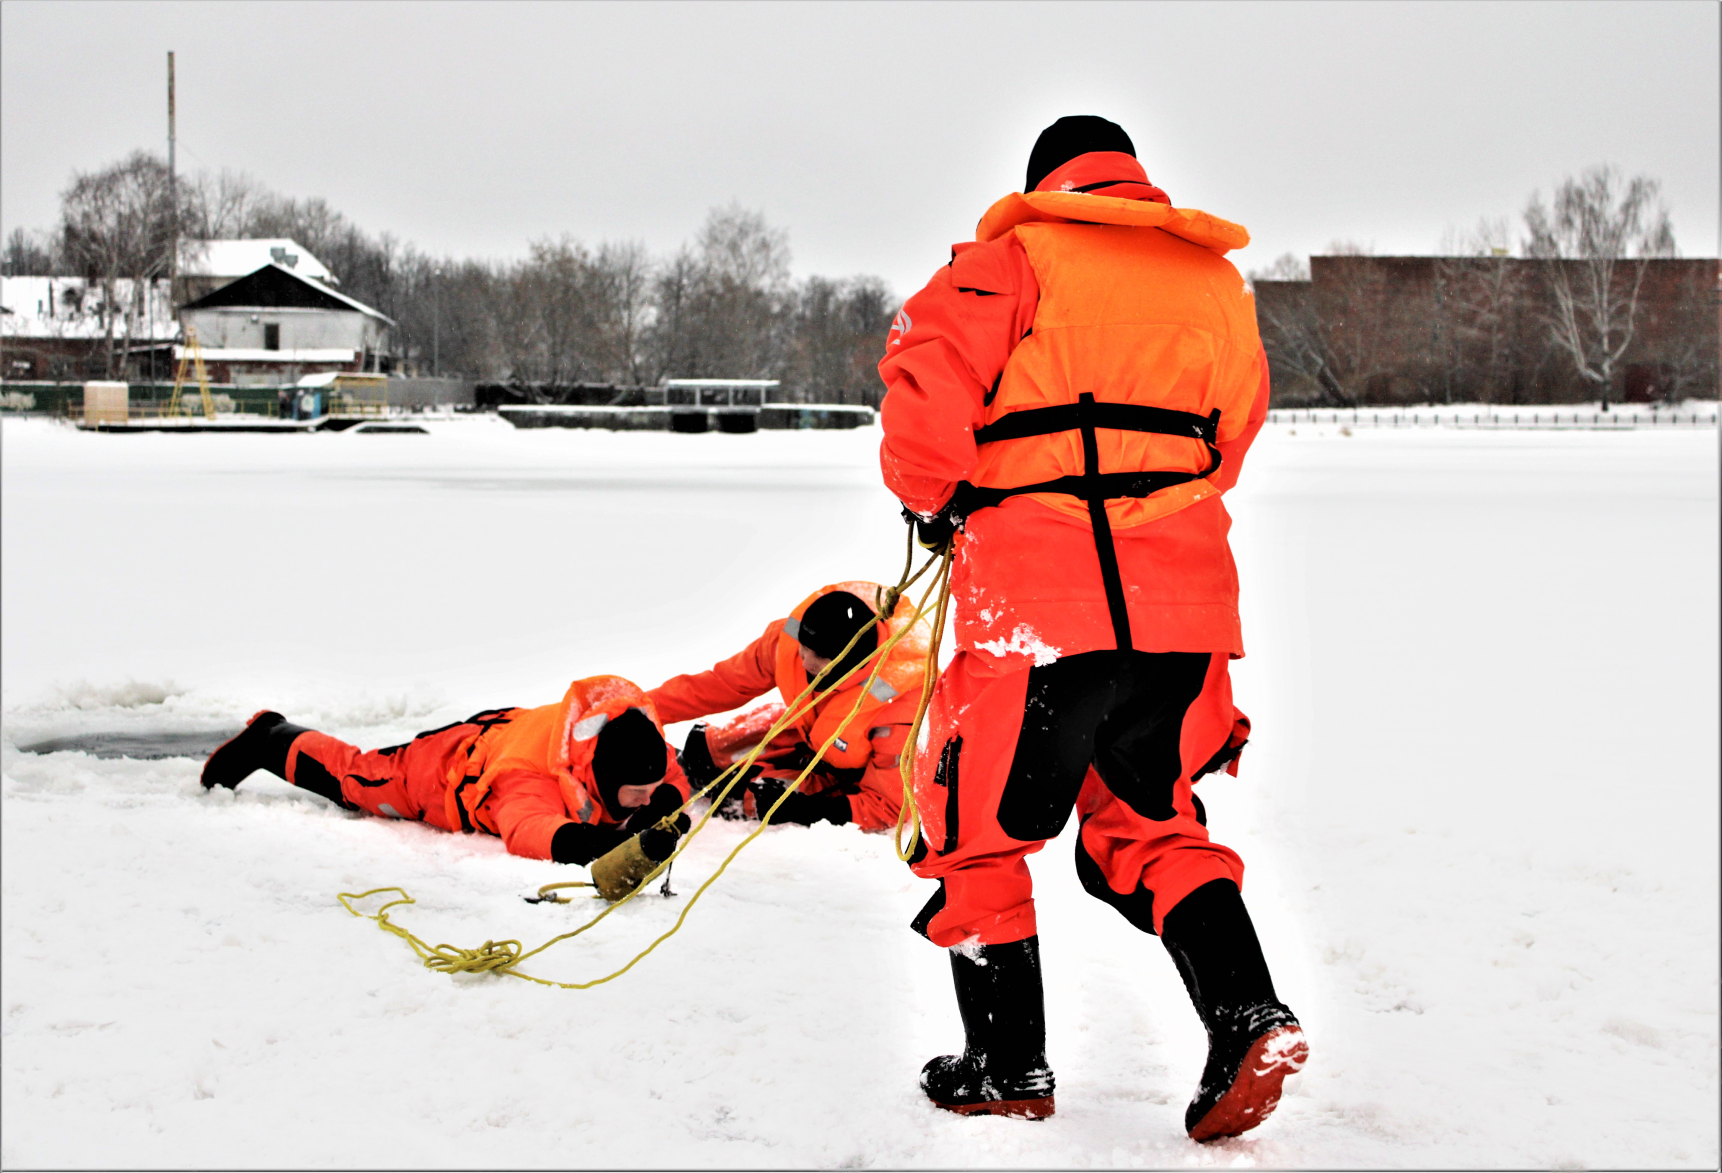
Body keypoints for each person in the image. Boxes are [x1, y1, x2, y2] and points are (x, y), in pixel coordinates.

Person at [878, 115, 1305, 1140]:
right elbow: (1232, 433)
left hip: (1036, 612)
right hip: (1182, 612)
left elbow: (925, 405)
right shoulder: (1216, 285)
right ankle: (1246, 1010)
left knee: (973, 830)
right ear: (1133, 182)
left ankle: (1004, 1063)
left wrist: (933, 497)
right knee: (1148, 827)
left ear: (1046, 184)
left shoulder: (1007, 263)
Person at [200, 675, 691, 890]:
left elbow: (672, 772)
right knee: (356, 779)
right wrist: (607, 844)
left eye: (648, 790)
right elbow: (529, 830)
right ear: (603, 776)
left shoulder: (631, 742)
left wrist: (662, 802)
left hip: (503, 730)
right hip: (445, 770)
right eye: (637, 794)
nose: (646, 799)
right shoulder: (529, 780)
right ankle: (270, 738)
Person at [646, 582, 930, 832]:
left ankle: (742, 787)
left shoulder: (903, 705)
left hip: (856, 774)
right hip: (808, 734)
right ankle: (703, 764)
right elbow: (721, 684)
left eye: (818, 657)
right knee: (708, 749)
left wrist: (811, 811)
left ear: (849, 662)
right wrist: (643, 710)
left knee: (757, 798)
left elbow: (890, 806)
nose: (804, 663)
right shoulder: (790, 642)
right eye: (803, 649)